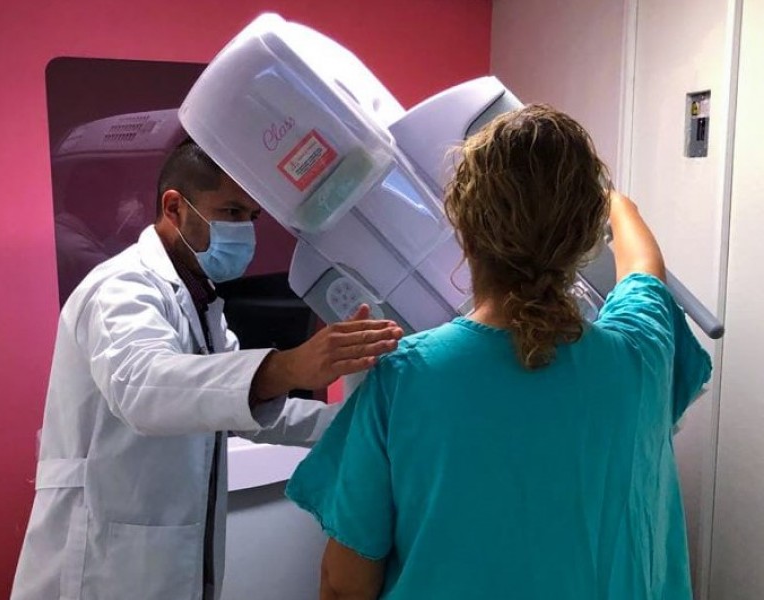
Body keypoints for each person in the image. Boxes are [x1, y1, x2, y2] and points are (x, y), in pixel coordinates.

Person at [285, 105, 712, 599]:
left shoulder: (404, 379)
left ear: (463, 231)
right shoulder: (641, 356)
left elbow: (343, 586)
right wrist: (612, 202)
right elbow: (643, 266)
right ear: (585, 235)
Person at [11, 139, 403, 600]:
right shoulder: (121, 287)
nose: (245, 231)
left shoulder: (201, 302)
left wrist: (362, 425)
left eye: (251, 217)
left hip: (163, 553)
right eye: (231, 212)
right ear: (174, 207)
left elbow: (244, 408)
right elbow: (143, 386)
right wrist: (288, 366)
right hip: (98, 558)